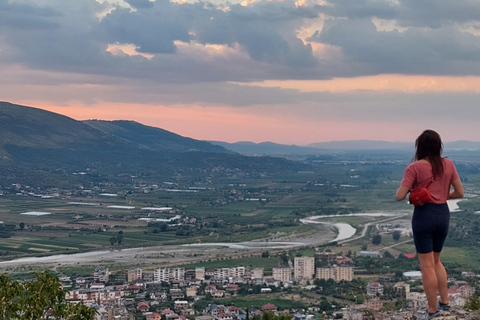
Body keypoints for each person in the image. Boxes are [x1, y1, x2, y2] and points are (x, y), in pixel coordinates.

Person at [396, 129, 464, 320]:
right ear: (438, 146)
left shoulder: (414, 168)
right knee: (437, 261)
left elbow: (400, 196)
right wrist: (442, 196)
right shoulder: (448, 164)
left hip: (424, 216)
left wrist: (417, 193)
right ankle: (445, 302)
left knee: (426, 266)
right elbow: (460, 193)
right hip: (443, 214)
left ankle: (433, 311)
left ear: (420, 147)